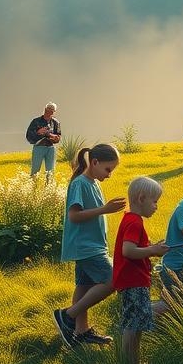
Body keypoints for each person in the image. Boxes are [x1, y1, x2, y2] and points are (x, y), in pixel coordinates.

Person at [53, 143, 125, 349]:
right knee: (113, 279)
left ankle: (80, 331)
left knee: (84, 287)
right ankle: (67, 315)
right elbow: (74, 216)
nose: (110, 174)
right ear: (94, 162)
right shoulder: (80, 184)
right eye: (108, 169)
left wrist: (106, 210)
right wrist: (105, 209)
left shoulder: (93, 182)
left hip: (93, 245)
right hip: (85, 246)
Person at [113, 176, 170, 364]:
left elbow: (135, 248)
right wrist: (153, 251)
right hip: (132, 281)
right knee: (133, 326)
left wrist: (151, 247)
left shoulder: (130, 218)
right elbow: (127, 251)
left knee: (136, 324)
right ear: (141, 198)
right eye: (154, 201)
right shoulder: (135, 222)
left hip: (134, 279)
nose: (156, 206)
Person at [26, 102, 61, 177]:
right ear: (45, 109)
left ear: (54, 112)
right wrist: (38, 133)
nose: (49, 111)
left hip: (51, 148)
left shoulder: (56, 123)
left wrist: (52, 136)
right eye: (48, 108)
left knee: (50, 171)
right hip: (38, 147)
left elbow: (58, 138)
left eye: (52, 110)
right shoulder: (35, 121)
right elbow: (29, 136)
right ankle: (33, 187)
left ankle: (49, 187)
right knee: (35, 170)